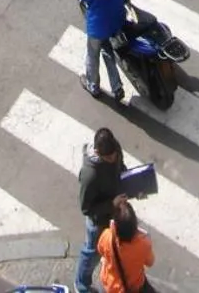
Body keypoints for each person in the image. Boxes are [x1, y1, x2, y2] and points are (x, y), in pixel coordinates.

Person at [77, 0, 142, 102]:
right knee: (108, 49)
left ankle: (93, 85)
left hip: (98, 26)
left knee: (93, 53)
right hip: (118, 17)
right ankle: (117, 87)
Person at [75, 126, 123, 293]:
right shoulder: (90, 176)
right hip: (98, 220)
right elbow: (86, 208)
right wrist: (111, 204)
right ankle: (81, 285)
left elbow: (120, 168)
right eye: (109, 157)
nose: (113, 158)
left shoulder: (114, 148)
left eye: (115, 154)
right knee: (91, 253)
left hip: (115, 208)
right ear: (97, 151)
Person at [97, 196, 154, 293]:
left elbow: (100, 250)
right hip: (134, 286)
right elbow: (150, 262)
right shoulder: (144, 244)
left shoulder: (107, 236)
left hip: (109, 285)